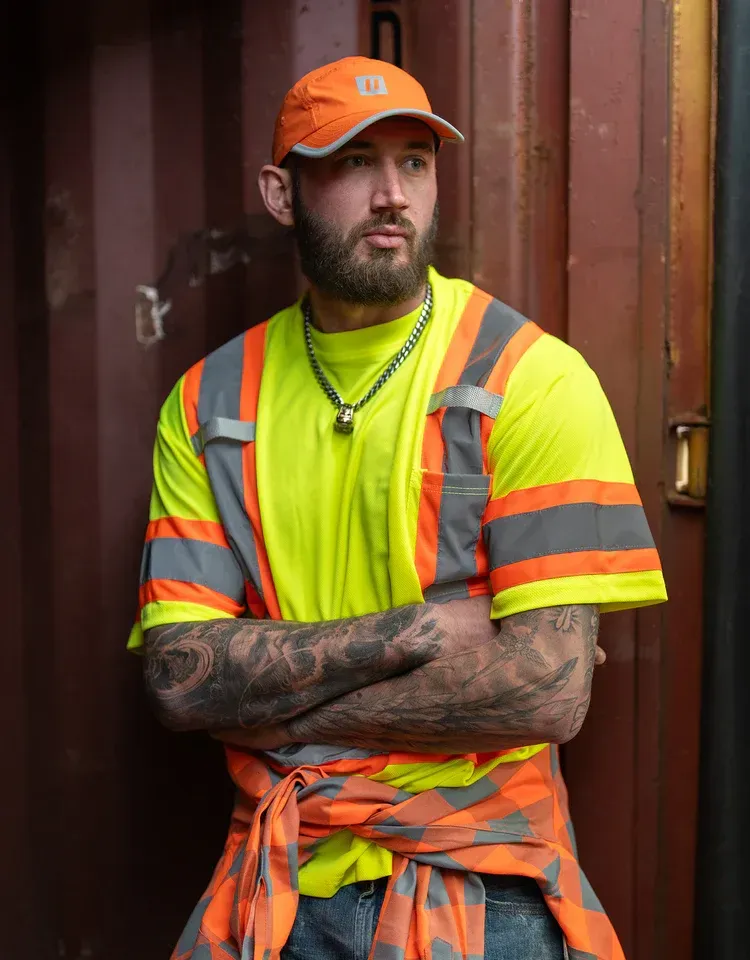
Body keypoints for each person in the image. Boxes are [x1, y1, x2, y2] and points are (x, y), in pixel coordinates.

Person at [129, 56, 667, 960]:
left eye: (414, 162)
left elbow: (547, 689)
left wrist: (279, 712)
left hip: (482, 875)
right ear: (281, 190)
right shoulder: (208, 400)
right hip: (279, 872)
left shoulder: (529, 377)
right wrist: (416, 633)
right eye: (352, 163)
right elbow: (182, 679)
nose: (392, 195)